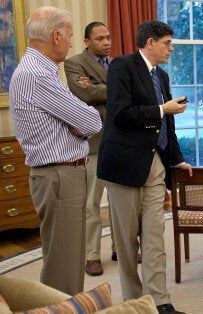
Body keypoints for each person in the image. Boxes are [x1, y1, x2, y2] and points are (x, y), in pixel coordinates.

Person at [97, 20, 191, 314]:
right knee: (126, 243)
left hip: (156, 163)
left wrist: (176, 158)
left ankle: (160, 301)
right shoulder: (121, 67)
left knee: (154, 239)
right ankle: (134, 302)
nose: (171, 49)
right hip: (124, 165)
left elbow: (168, 124)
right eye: (167, 43)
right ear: (150, 43)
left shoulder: (161, 75)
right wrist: (164, 109)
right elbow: (121, 114)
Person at [8, 6, 101, 295]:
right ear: (56, 36)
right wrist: (76, 123)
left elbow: (82, 121)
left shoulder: (38, 71)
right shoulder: (38, 75)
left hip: (61, 175)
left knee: (66, 258)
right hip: (60, 176)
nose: (72, 43)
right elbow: (92, 120)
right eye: (71, 36)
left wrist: (75, 123)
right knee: (64, 265)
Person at [64, 21, 114, 277]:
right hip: (93, 143)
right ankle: (92, 255)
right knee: (91, 204)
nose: (107, 42)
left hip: (118, 142)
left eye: (108, 37)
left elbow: (104, 93)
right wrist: (112, 89)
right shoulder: (74, 63)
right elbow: (84, 95)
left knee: (120, 202)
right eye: (100, 38)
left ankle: (122, 248)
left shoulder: (117, 64)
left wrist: (97, 87)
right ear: (87, 42)